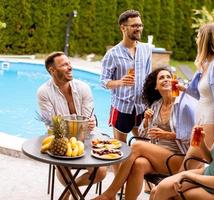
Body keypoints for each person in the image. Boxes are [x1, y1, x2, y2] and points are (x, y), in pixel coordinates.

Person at [93, 67, 196, 200]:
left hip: (180, 159)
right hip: (159, 157)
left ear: (174, 81)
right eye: (161, 78)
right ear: (155, 87)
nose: (166, 79)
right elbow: (142, 134)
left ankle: (110, 193)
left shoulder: (183, 105)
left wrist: (169, 135)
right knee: (139, 164)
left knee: (137, 146)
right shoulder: (156, 106)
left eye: (168, 77)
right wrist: (146, 121)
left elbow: (193, 137)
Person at [37, 51, 107, 200]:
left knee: (101, 172)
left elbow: (88, 117)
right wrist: (81, 124)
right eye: (64, 65)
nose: (70, 67)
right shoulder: (44, 92)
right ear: (52, 70)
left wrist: (92, 120)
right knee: (62, 166)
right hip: (60, 139)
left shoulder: (83, 87)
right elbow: (52, 124)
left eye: (69, 63)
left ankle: (68, 193)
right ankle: (77, 196)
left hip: (87, 137)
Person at [176, 23, 214, 166]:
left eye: (198, 36)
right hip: (200, 121)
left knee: (187, 167)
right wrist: (185, 89)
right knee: (195, 167)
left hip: (210, 122)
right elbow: (203, 96)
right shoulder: (205, 66)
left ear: (205, 40)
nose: (196, 40)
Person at [100, 9, 152, 144]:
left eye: (140, 25)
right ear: (123, 28)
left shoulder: (146, 49)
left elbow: (148, 77)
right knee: (119, 147)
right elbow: (103, 81)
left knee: (145, 144)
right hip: (122, 107)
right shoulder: (112, 54)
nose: (139, 29)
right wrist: (120, 82)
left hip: (141, 107)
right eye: (134, 26)